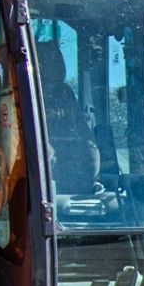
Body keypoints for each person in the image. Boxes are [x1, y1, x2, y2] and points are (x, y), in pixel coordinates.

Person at [35, 38, 99, 195]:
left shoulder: (65, 93)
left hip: (68, 153)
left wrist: (90, 146)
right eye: (50, 58)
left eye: (56, 58)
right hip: (41, 157)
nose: (57, 63)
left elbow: (81, 128)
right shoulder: (31, 92)